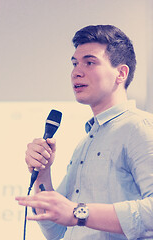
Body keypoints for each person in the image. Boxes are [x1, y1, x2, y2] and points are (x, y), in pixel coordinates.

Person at [16, 25, 153, 240]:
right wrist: (43, 171)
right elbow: (55, 230)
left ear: (121, 73)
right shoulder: (86, 142)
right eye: (74, 63)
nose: (76, 72)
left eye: (90, 62)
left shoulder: (140, 127)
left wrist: (79, 213)